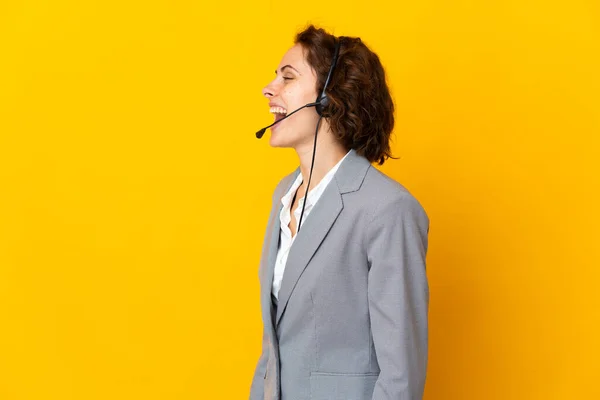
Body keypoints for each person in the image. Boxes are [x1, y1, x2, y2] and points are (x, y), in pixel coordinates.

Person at [250, 25, 430, 400]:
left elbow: (400, 376)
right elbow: (274, 351)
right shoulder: (283, 195)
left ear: (330, 98)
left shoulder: (387, 210)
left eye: (288, 77)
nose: (269, 89)